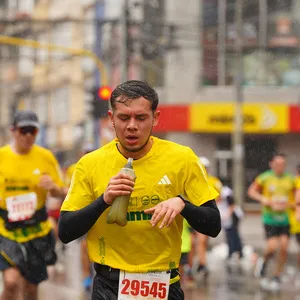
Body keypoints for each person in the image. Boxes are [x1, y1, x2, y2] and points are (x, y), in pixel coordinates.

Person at [58, 80, 221, 300]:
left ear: (155, 118)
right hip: (110, 286)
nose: (132, 126)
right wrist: (104, 200)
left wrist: (183, 204)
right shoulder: (90, 164)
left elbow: (213, 225)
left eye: (141, 118)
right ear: (111, 119)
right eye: (124, 118)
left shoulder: (182, 158)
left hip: (162, 284)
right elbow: (65, 232)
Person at [0, 110, 65, 300]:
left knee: (30, 287)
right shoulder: (2, 156)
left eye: (33, 131)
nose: (28, 136)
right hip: (6, 229)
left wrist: (53, 186)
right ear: (13, 131)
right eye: (24, 130)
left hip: (36, 229)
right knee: (11, 282)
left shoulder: (45, 157)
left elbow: (62, 192)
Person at [248, 153, 295, 291]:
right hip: (270, 218)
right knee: (272, 248)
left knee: (285, 247)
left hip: (285, 219)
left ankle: (277, 275)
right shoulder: (265, 177)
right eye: (277, 164)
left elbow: (296, 195)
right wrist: (265, 200)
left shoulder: (290, 179)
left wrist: (292, 205)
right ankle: (264, 261)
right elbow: (251, 191)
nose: (280, 167)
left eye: (282, 164)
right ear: (272, 164)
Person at [192, 156, 223, 282]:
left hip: (204, 215)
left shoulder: (214, 181)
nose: (204, 169)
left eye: (205, 166)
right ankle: (195, 265)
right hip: (190, 215)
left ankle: (202, 264)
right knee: (192, 244)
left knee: (201, 241)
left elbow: (219, 197)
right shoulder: (192, 179)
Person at [218, 184, 244, 265]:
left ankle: (234, 252)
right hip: (227, 217)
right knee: (231, 234)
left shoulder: (225, 192)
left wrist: (227, 215)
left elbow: (232, 205)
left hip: (233, 216)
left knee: (232, 234)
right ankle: (237, 252)